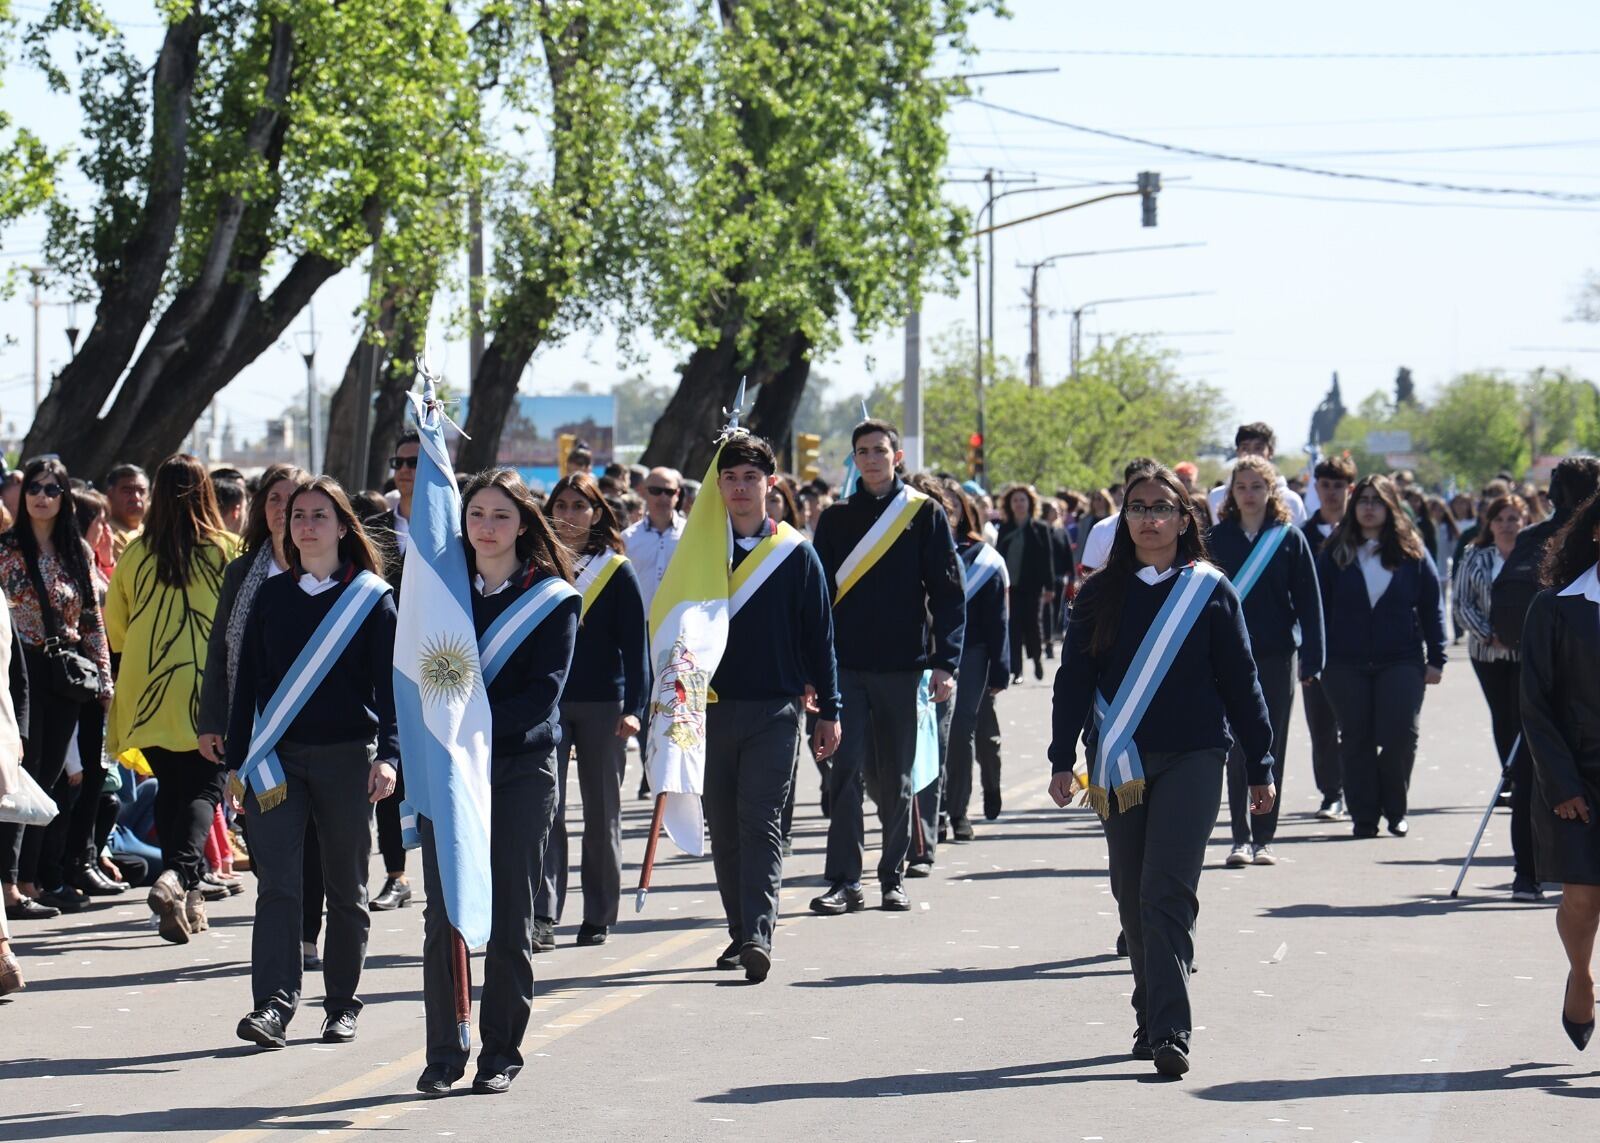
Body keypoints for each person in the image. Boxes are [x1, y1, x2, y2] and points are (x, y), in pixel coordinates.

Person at [1048, 462, 1275, 1077]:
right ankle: (1151, 1007)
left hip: (1197, 755)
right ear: (1123, 520)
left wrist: (1261, 763)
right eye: (1139, 507)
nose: (1150, 518)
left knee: (1166, 889)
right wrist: (1060, 756)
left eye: (1162, 508)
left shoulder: (1210, 590)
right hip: (1120, 757)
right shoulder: (1098, 593)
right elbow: (1073, 681)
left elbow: (1242, 680)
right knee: (1130, 892)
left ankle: (1172, 1030)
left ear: (1183, 519)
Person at [416, 469, 580, 1094]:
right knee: (446, 917)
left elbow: (544, 696)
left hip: (517, 768)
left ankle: (499, 1053)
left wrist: (470, 733)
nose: (486, 528)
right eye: (476, 514)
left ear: (523, 524)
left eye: (500, 516)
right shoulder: (441, 595)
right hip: (448, 769)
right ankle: (445, 1052)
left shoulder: (553, 598)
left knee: (510, 913)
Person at [229, 477, 398, 1050]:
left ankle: (342, 1004)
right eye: (297, 515)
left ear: (343, 526)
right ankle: (273, 1005)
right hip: (277, 761)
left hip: (348, 759)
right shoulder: (270, 597)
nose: (305, 525)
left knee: (345, 887)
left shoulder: (371, 598)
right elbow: (246, 686)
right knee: (276, 885)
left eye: (319, 515)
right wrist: (236, 764)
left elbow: (391, 688)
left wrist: (392, 757)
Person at [809, 419, 964, 915]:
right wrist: (814, 668)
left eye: (880, 450)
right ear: (853, 460)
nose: (872, 458)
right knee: (844, 774)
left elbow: (947, 593)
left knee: (897, 778)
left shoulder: (924, 515)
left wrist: (945, 662)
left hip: (904, 667)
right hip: (846, 668)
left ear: (897, 456)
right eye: (862, 451)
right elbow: (818, 601)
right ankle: (844, 881)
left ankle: (891, 877)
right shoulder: (834, 520)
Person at [701, 433, 840, 981]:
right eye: (731, 478)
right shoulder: (701, 551)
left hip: (776, 712)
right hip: (708, 711)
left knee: (760, 822)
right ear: (719, 485)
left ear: (771, 484)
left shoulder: (795, 552)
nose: (740, 488)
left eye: (750, 478)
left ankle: (759, 933)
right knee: (724, 826)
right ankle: (741, 930)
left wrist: (830, 708)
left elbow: (820, 637)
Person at [104, 456, 239, 941]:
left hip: (149, 685)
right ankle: (177, 877)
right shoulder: (227, 551)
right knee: (206, 788)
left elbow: (115, 629)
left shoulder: (135, 553)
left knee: (173, 790)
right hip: (209, 687)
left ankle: (190, 900)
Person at [197, 464, 324, 961]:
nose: (285, 511)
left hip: (316, 726)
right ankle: (279, 923)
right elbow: (220, 652)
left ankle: (306, 934)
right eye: (275, 499)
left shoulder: (333, 569)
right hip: (253, 724)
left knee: (310, 835)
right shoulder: (242, 572)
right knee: (265, 834)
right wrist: (213, 720)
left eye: (296, 501)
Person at [536, 472, 648, 949]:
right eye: (559, 504)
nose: (567, 514)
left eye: (578, 505)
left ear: (597, 513)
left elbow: (635, 644)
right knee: (545, 809)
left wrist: (636, 708)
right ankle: (542, 913)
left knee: (602, 812)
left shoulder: (616, 569)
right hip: (550, 704)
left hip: (605, 703)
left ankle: (599, 913)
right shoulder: (539, 565)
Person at [0, 459, 114, 921]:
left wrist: (105, 677)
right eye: (34, 488)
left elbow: (91, 618)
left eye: (52, 488)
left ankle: (34, 879)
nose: (41, 496)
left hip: (65, 671)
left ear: (65, 496)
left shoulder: (75, 550)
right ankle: (13, 884)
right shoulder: (5, 549)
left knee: (50, 777)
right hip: (16, 667)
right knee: (18, 771)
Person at [1206, 456, 1324, 867]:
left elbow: (1310, 602)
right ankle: (1239, 836)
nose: (1249, 494)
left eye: (1257, 486)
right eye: (1242, 487)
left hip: (1276, 655)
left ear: (1271, 491)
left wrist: (1314, 658)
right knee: (1236, 745)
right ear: (1231, 493)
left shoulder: (1289, 538)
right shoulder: (1216, 538)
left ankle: (1264, 838)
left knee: (1271, 743)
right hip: (1226, 656)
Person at [1317, 475, 1446, 839]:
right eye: (1363, 500)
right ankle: (1364, 816)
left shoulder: (1412, 551)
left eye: (1377, 500)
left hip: (1401, 659)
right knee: (1355, 738)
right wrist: (1313, 656)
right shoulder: (1333, 552)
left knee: (1400, 737)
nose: (1369, 507)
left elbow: (1432, 606)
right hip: (1344, 662)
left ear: (1391, 507)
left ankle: (1396, 809)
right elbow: (1316, 609)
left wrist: (1437, 657)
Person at [1519, 491, 1600, 1051]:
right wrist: (1562, 784)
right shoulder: (1554, 607)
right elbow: (1535, 706)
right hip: (1578, 774)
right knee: (1583, 897)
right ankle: (1582, 974)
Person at [1454, 493, 1539, 900]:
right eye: (1501, 519)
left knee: (1525, 717)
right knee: (1503, 716)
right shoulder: (1476, 556)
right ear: (1489, 523)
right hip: (1489, 653)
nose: (1507, 525)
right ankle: (1510, 772)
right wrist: (1489, 632)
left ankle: (1518, 771)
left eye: (1515, 518)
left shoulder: (1535, 553)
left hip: (1526, 654)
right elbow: (1462, 604)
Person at [941, 479, 1009, 840]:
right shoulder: (920, 548)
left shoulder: (985, 558)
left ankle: (958, 812)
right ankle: (934, 814)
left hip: (973, 654)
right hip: (927, 653)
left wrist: (1001, 668)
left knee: (964, 732)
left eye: (951, 503)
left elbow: (999, 620)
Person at [1302, 455, 1355, 821]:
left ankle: (1359, 791)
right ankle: (1331, 794)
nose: (1332, 492)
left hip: (1358, 647)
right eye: (1325, 485)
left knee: (1356, 727)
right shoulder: (1301, 535)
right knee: (1321, 726)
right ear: (1316, 487)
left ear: (1349, 489)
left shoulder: (1364, 532)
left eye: (1339, 485)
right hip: (1314, 646)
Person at [996, 485, 1056, 684]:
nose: (1019, 504)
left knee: (1033, 627)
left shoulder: (1040, 528)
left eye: (1022, 500)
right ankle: (1017, 670)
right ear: (1009, 505)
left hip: (1032, 587)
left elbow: (1048, 558)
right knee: (1013, 628)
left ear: (1030, 503)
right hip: (1010, 587)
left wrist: (1050, 587)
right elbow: (998, 558)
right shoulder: (1004, 529)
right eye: (1015, 500)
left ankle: (1037, 659)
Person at [1205, 423, 1307, 527]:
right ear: (1237, 452)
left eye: (1258, 448)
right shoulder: (1217, 496)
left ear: (1270, 452)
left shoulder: (1291, 500)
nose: (1251, 454)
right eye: (1245, 448)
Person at [1079, 460, 1160, 573]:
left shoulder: (1170, 529)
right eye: (1137, 485)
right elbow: (1087, 576)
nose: (1144, 492)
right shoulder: (1102, 529)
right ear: (1125, 488)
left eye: (1151, 486)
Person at [623, 466, 684, 613]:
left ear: (677, 494)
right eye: (656, 491)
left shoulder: (691, 534)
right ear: (643, 492)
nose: (663, 497)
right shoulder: (627, 538)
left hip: (680, 626)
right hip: (638, 625)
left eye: (669, 492)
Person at [104, 463, 150, 561]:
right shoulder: (106, 534)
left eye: (141, 491)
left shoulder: (151, 533)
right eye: (127, 491)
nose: (135, 498)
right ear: (110, 495)